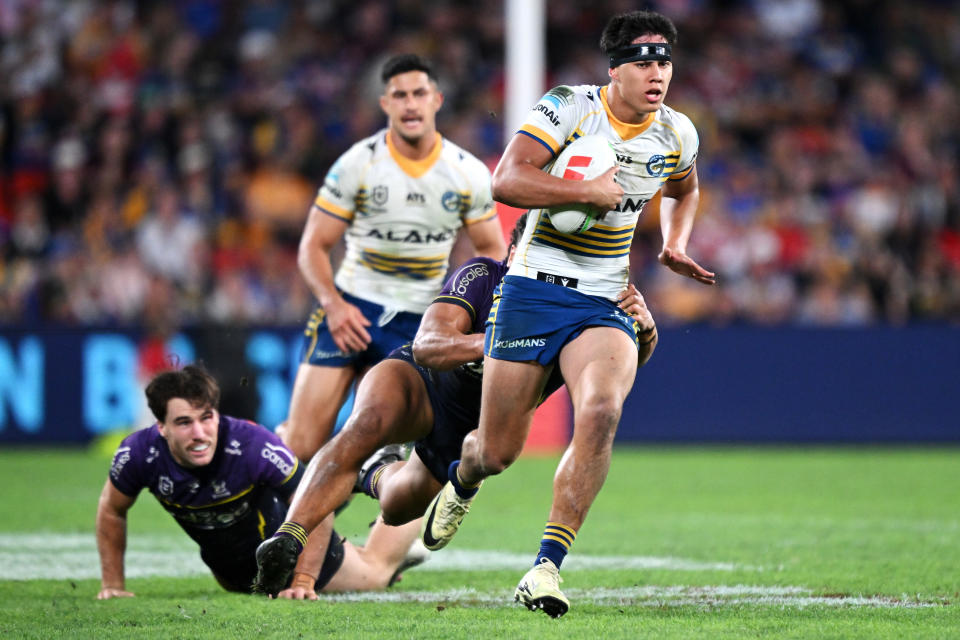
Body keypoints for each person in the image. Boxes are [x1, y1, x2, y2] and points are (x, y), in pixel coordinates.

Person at [419, 10, 716, 618]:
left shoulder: (677, 133)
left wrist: (674, 243)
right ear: (615, 69)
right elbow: (507, 181)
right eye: (643, 61)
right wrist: (585, 190)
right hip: (531, 289)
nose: (656, 73)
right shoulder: (568, 108)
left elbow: (684, 189)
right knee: (496, 451)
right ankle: (464, 478)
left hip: (605, 296)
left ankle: (545, 568)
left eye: (664, 61)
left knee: (603, 409)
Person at [250, 214, 657, 597]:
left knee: (396, 507)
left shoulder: (587, 305)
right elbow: (428, 345)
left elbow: (606, 372)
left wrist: (644, 334)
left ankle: (399, 471)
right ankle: (288, 537)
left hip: (475, 427)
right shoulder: (483, 275)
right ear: (516, 253)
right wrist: (499, 345)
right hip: (422, 385)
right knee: (365, 424)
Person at [281, 53, 506, 462]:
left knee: (380, 454)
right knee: (300, 445)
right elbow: (312, 245)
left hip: (417, 321)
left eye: (418, 93)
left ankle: (340, 517)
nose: (409, 104)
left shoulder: (467, 173)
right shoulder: (357, 164)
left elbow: (491, 251)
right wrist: (333, 305)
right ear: (385, 104)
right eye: (399, 95)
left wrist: (459, 305)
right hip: (351, 308)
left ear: (436, 100)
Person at [95, 365, 424, 600]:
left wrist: (304, 581)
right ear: (161, 427)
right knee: (300, 478)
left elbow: (317, 502)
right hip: (236, 572)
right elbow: (112, 509)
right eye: (184, 423)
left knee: (375, 571)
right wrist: (112, 584)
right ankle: (352, 475)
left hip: (291, 550)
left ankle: (419, 480)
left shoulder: (250, 445)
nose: (199, 434)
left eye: (206, 418)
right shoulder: (138, 454)